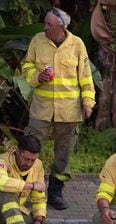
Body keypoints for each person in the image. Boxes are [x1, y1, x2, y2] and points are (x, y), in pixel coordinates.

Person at [22, 7, 96, 210]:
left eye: (49, 24)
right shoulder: (38, 40)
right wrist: (37, 77)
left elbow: (86, 77)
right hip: (41, 109)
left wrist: (88, 102)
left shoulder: (77, 44)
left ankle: (55, 192)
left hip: (69, 111)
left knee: (64, 153)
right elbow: (26, 66)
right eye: (45, 23)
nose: (44, 27)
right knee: (29, 146)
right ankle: (24, 188)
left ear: (61, 27)